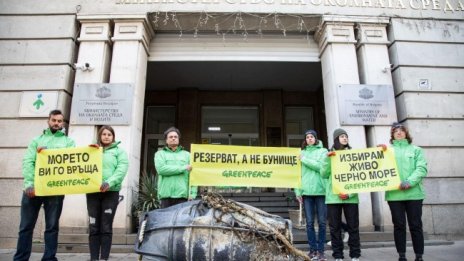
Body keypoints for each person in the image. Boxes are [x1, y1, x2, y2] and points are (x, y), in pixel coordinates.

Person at [14, 109, 76, 261]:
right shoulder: (36, 141)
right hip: (33, 189)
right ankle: (21, 258)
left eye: (59, 121)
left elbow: (73, 160)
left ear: (63, 123)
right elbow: (28, 162)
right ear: (48, 121)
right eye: (54, 120)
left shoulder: (69, 142)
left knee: (52, 227)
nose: (56, 123)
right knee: (26, 227)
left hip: (55, 190)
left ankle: (49, 258)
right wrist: (29, 184)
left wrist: (92, 150)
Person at [384, 123, 427, 261]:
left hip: (414, 194)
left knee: (415, 225)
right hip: (394, 195)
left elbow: (421, 169)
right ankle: (401, 256)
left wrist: (409, 181)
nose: (399, 132)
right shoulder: (387, 152)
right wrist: (378, 153)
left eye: (401, 130)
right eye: (395, 131)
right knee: (399, 226)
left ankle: (419, 256)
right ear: (392, 135)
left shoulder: (416, 150)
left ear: (406, 133)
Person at [86, 125, 129, 261]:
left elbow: (121, 170)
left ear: (113, 137)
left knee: (105, 226)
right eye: (104, 134)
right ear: (100, 136)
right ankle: (94, 258)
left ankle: (104, 258)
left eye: (109, 134)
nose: (106, 136)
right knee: (93, 226)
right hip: (92, 192)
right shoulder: (91, 150)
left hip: (111, 192)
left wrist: (109, 182)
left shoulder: (119, 152)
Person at [322, 128, 361, 261]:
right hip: (333, 197)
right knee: (335, 228)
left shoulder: (352, 154)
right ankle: (338, 255)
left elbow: (359, 177)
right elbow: (324, 174)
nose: (345, 138)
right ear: (336, 139)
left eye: (346, 136)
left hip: (351, 198)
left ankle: (355, 254)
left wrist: (349, 194)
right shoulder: (329, 154)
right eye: (342, 136)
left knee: (353, 227)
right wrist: (328, 160)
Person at [295, 129, 328, 261]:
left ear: (315, 139)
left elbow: (321, 167)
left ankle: (321, 251)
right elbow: (296, 174)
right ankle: (312, 250)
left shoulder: (323, 151)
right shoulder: (301, 153)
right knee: (309, 223)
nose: (309, 139)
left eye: (311, 137)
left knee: (321, 222)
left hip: (320, 191)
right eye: (307, 137)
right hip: (306, 193)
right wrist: (298, 191)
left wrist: (305, 160)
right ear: (305, 140)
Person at [154, 127, 197, 208]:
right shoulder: (160, 154)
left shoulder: (187, 155)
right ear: (166, 140)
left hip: (182, 195)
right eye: (170, 137)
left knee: (181, 221)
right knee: (165, 220)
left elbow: (193, 176)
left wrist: (192, 193)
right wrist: (183, 168)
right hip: (165, 195)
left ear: (178, 139)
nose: (173, 138)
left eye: (175, 137)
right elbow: (161, 170)